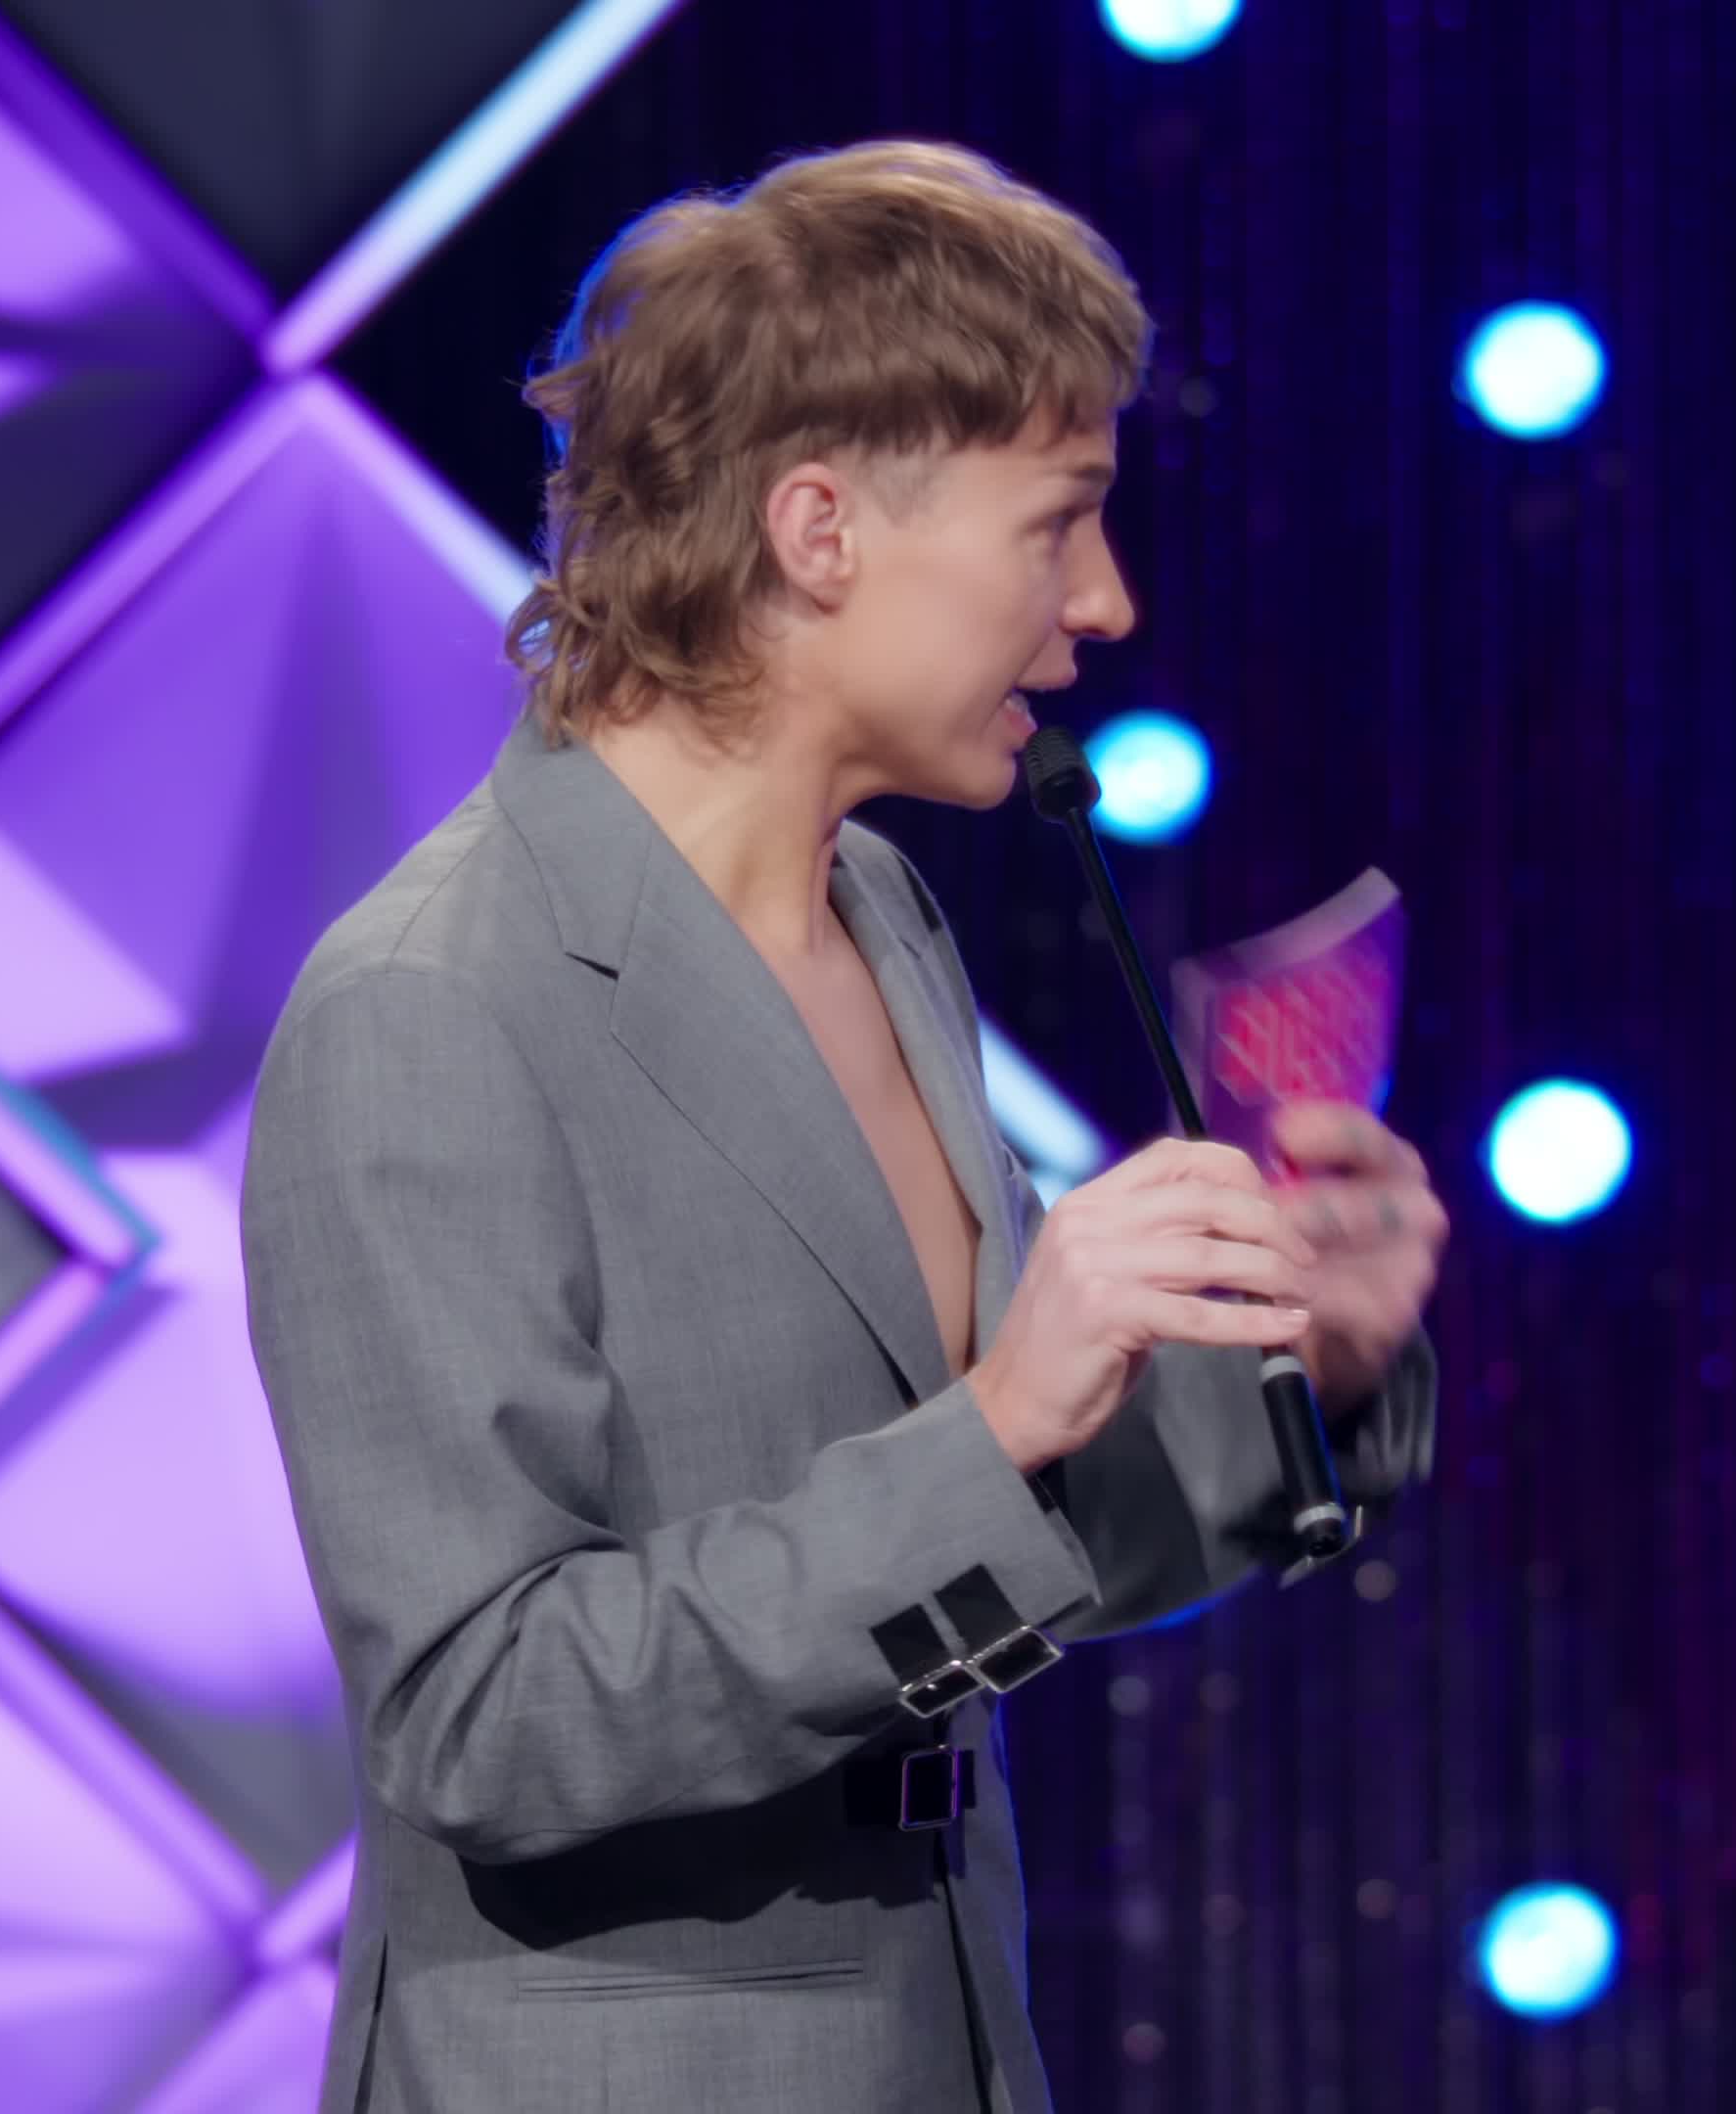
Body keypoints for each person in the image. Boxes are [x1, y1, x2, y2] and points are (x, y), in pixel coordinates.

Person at [240, 140, 1446, 2114]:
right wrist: (999, 1419)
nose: (1106, 603)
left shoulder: (879, 916)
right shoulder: (430, 1006)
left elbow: (1007, 1542)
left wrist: (1309, 1363)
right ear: (818, 530)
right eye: (1057, 525)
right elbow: (481, 1720)